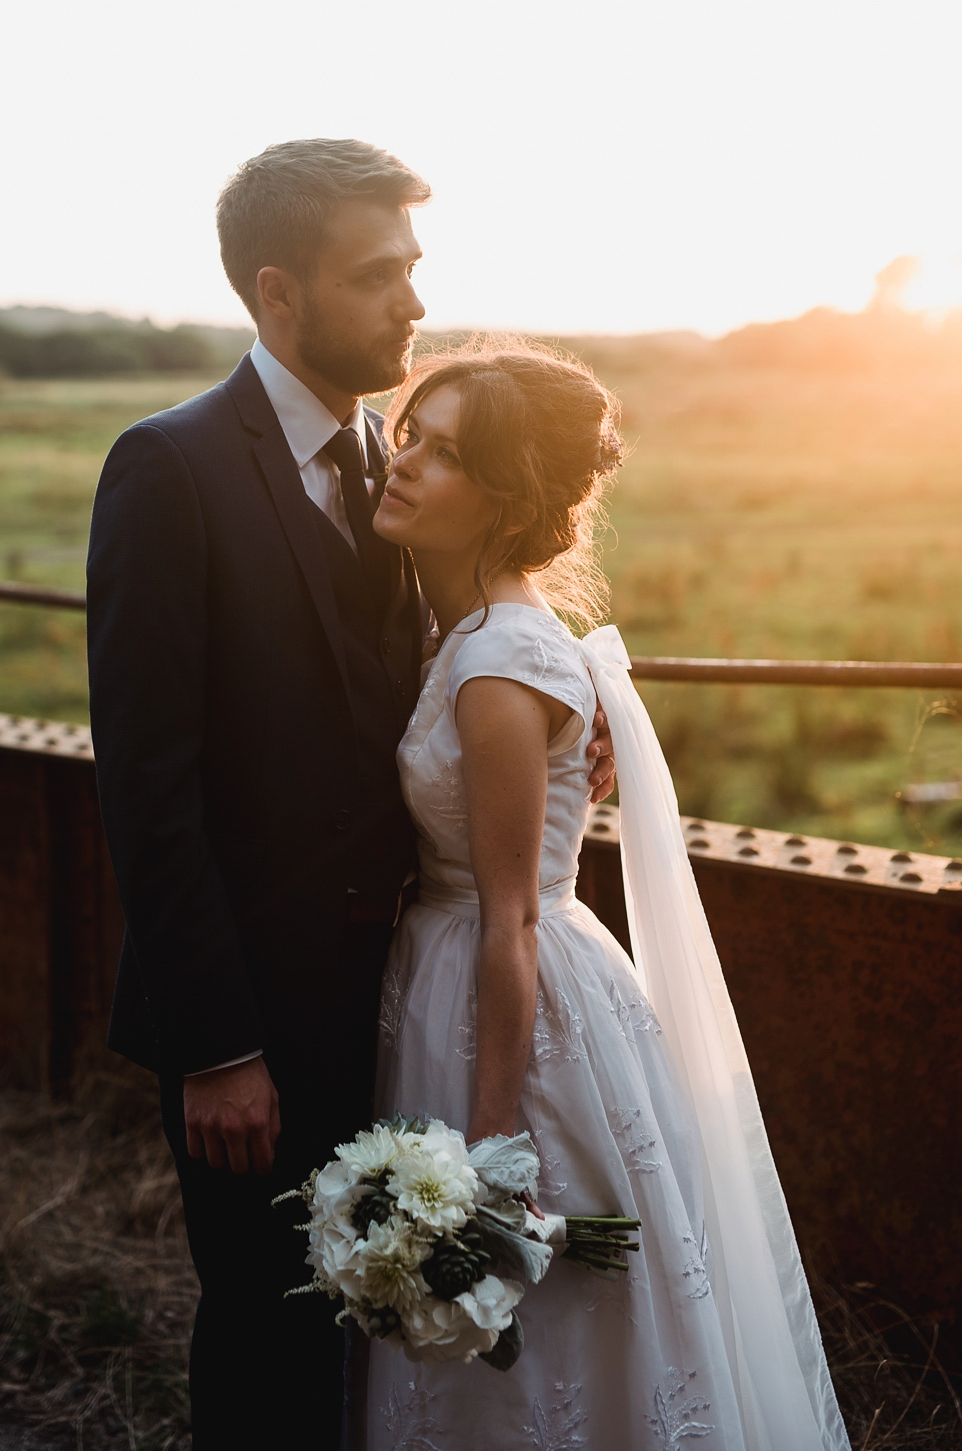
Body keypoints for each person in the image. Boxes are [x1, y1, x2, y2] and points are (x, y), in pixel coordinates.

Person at [85, 143, 616, 1451]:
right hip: (247, 1020)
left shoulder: (397, 463)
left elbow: (487, 645)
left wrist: (578, 722)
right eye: (377, 275)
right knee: (264, 1337)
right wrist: (217, 1046)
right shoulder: (170, 469)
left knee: (364, 1348)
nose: (411, 303)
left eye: (414, 269)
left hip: (391, 1005)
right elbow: (148, 788)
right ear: (279, 295)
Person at [361, 342, 851, 1450]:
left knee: (529, 1307)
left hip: (505, 990)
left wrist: (487, 1155)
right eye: (411, 439)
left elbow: (512, 913)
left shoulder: (498, 664)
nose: (405, 467)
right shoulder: (488, 635)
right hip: (477, 966)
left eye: (445, 455)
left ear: (506, 497)